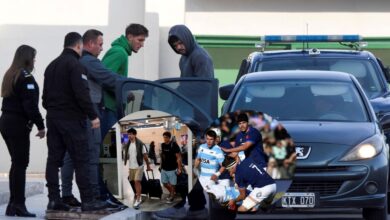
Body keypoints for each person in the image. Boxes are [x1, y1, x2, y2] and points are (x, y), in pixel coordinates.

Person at [60, 29, 125, 208]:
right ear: (90, 44)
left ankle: (66, 194)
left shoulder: (71, 62)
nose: (102, 48)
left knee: (70, 155)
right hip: (89, 111)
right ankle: (95, 197)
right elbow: (109, 78)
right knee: (93, 152)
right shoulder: (89, 61)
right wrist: (131, 85)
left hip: (72, 113)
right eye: (100, 44)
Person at [42, 32, 107, 212]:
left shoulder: (51, 66)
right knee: (81, 159)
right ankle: (88, 201)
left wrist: (55, 110)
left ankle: (54, 200)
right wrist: (93, 116)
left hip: (53, 120)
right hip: (72, 120)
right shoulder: (76, 66)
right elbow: (82, 95)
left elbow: (45, 99)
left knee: (54, 160)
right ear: (79, 46)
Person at [0, 45, 45, 217]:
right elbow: (30, 105)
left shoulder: (10, 73)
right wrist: (41, 125)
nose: (34, 61)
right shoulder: (25, 77)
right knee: (20, 164)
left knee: (16, 163)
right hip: (17, 124)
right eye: (33, 58)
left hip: (6, 122)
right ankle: (18, 204)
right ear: (27, 58)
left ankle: (13, 205)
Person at [100, 24, 149, 138]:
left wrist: (126, 92)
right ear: (130, 37)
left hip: (111, 106)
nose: (142, 44)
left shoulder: (122, 52)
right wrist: (124, 92)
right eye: (140, 40)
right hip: (109, 107)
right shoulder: (119, 52)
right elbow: (104, 78)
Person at [122, 128, 151, 209]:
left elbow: (145, 156)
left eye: (131, 134)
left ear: (135, 134)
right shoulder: (128, 144)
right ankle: (138, 194)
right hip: (131, 167)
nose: (129, 136)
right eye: (128, 134)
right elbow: (128, 156)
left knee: (136, 181)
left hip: (139, 166)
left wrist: (148, 166)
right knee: (133, 181)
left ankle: (138, 198)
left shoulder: (140, 144)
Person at [160, 131, 182, 203]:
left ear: (169, 138)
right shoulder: (162, 145)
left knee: (173, 184)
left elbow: (178, 157)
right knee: (164, 183)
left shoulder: (174, 145)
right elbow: (162, 156)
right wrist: (161, 165)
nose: (164, 138)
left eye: (166, 137)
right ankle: (172, 192)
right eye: (164, 137)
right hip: (164, 168)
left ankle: (172, 196)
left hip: (172, 168)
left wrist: (179, 168)